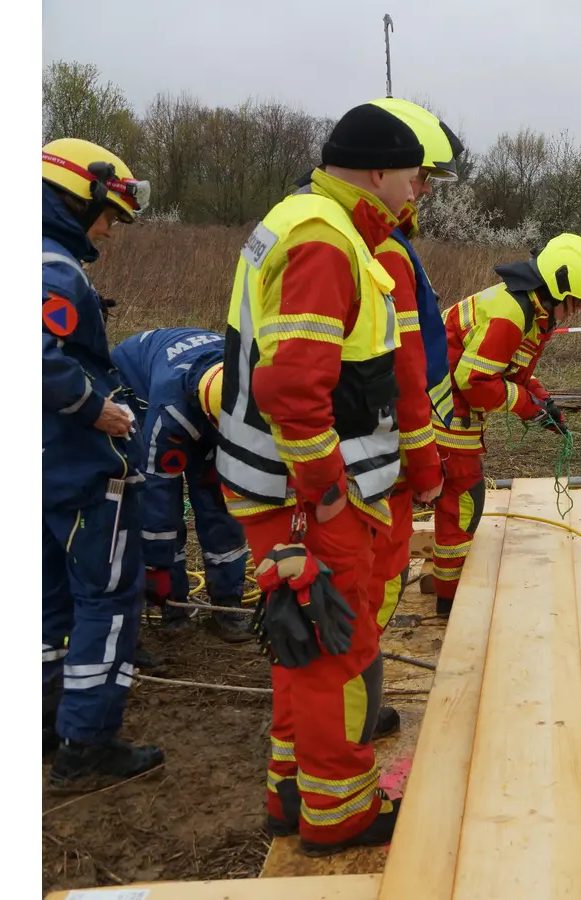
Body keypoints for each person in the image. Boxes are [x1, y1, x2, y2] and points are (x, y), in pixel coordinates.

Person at [213, 103, 421, 855]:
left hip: (274, 483)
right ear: (376, 171)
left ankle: (289, 792)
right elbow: (293, 389)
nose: (417, 190)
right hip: (301, 492)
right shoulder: (327, 241)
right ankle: (340, 815)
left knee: (301, 643)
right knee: (341, 651)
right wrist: (327, 489)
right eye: (412, 175)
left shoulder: (303, 220)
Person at [41, 137, 165, 786]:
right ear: (76, 196)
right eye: (108, 215)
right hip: (79, 468)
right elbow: (39, 357)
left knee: (47, 595)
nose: (110, 232)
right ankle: (86, 744)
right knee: (110, 598)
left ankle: (47, 715)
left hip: (40, 469)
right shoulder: (55, 270)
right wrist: (100, 411)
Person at [429, 235, 581, 613]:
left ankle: (443, 579)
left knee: (462, 496)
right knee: (464, 499)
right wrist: (528, 408)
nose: (576, 311)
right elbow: (475, 381)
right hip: (442, 405)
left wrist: (545, 402)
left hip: (448, 400)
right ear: (556, 289)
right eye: (576, 302)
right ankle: (450, 597)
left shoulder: (531, 309)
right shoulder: (511, 313)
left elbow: (514, 371)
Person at [364, 98, 460, 628]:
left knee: (381, 562)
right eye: (420, 177)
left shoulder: (385, 243)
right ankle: (358, 689)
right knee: (380, 567)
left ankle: (359, 682)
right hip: (385, 440)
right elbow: (403, 363)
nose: (423, 190)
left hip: (381, 436)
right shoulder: (387, 252)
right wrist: (424, 460)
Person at [110, 328, 254, 643]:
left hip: (202, 399)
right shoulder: (169, 413)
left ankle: (227, 606)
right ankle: (172, 607)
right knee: (159, 510)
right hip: (135, 388)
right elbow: (155, 501)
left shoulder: (247, 374)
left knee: (218, 499)